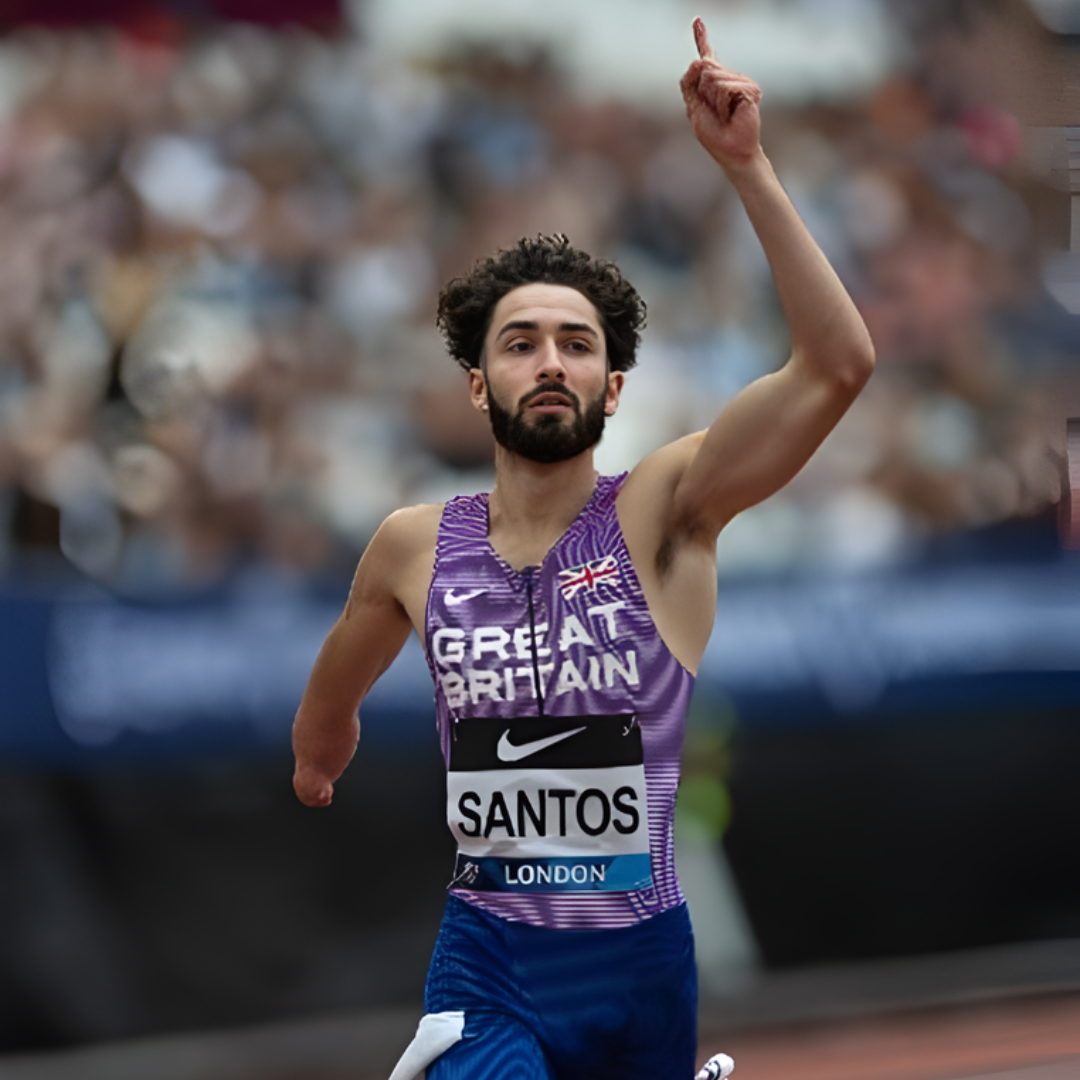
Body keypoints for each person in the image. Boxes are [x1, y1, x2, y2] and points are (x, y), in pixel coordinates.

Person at [291, 17, 874, 1080]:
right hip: (491, 961)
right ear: (479, 383)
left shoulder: (665, 510)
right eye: (520, 343)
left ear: (613, 386)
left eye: (577, 345)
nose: (549, 361)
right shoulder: (414, 545)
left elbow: (837, 366)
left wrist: (747, 169)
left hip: (643, 963)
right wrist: (318, 750)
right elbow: (339, 672)